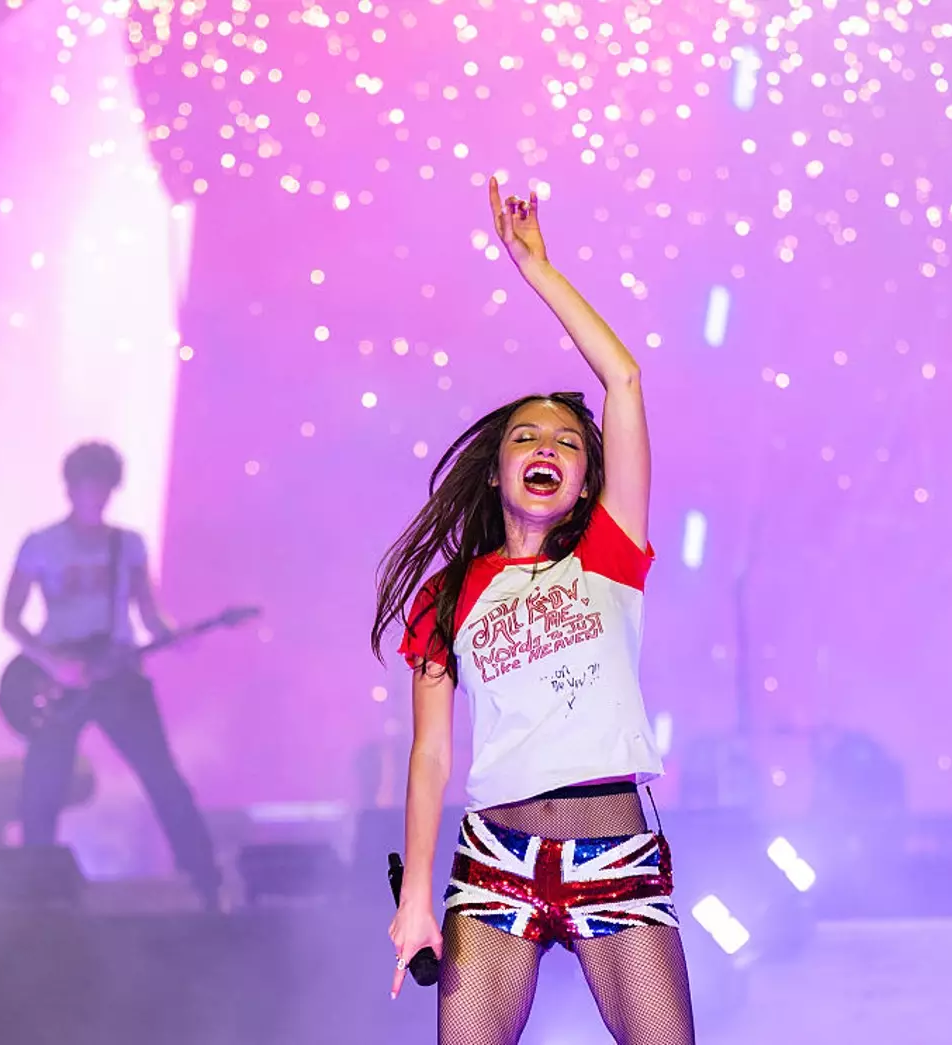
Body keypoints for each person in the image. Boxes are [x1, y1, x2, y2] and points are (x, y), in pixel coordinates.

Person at [371, 179, 694, 1045]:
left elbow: (623, 378)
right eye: (526, 437)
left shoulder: (610, 554)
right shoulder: (448, 594)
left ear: (586, 481)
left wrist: (537, 270)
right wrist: (414, 897)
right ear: (497, 471)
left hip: (614, 855)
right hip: (494, 866)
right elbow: (431, 754)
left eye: (566, 442)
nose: (546, 446)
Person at [2, 441, 222, 909]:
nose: (97, 497)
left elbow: (149, 612)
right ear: (70, 489)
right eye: (89, 487)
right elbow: (11, 617)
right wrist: (53, 664)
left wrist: (173, 636)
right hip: (61, 676)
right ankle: (32, 897)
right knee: (42, 786)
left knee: (162, 777)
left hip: (119, 674)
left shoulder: (129, 545)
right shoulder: (40, 544)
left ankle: (206, 883)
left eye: (104, 488)